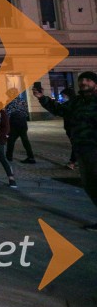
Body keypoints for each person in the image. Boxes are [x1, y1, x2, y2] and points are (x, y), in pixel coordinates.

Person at [34, 73, 97, 231]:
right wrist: (42, 98)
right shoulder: (77, 101)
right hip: (82, 149)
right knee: (90, 185)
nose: (84, 82)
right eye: (81, 80)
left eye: (88, 80)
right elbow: (59, 110)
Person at [5, 88, 35, 164]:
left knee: (11, 140)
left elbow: (7, 114)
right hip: (23, 122)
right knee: (25, 140)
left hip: (14, 123)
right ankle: (31, 157)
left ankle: (9, 157)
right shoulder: (22, 100)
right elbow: (26, 113)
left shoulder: (9, 102)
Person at [59, 88, 77, 170]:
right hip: (71, 128)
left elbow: (57, 110)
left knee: (76, 145)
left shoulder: (68, 105)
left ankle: (72, 162)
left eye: (63, 96)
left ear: (68, 95)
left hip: (73, 128)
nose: (62, 97)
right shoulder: (76, 103)